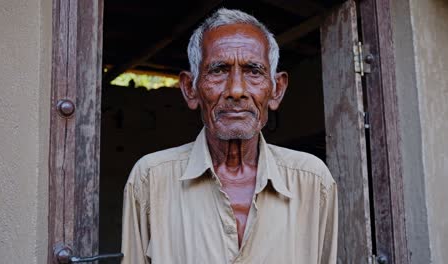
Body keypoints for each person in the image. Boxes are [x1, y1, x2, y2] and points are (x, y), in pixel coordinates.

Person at [121, 8, 337, 264]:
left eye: (254, 71)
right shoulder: (150, 180)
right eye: (219, 70)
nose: (236, 90)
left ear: (276, 90)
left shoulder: (312, 182)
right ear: (190, 89)